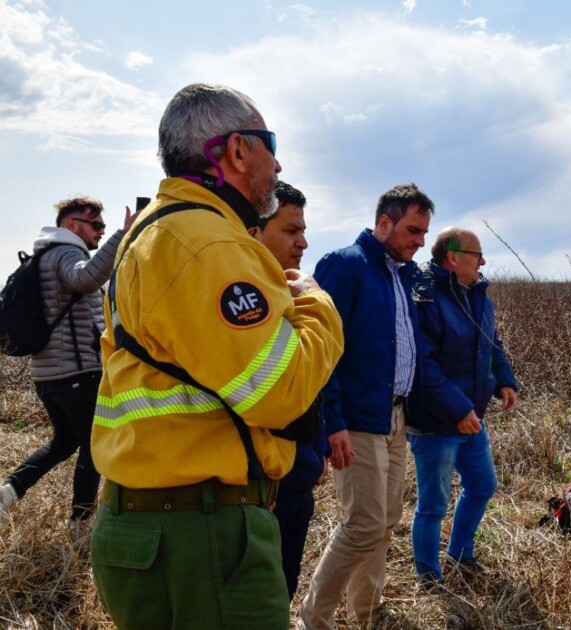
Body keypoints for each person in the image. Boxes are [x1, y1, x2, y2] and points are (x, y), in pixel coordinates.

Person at [89, 83, 344, 628]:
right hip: (200, 536)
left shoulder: (156, 233)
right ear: (236, 152)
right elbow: (279, 392)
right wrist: (318, 305)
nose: (277, 163)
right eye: (270, 144)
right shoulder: (207, 245)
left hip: (150, 527)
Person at [298, 183, 434, 629]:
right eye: (413, 229)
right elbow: (323, 349)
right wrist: (331, 419)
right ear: (384, 223)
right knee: (362, 524)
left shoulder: (401, 275)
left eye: (424, 232)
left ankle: (368, 612)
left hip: (393, 415)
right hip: (355, 418)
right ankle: (313, 620)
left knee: (386, 520)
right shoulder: (346, 265)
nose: (420, 240)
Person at [0, 198, 139, 535]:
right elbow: (86, 279)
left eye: (104, 227)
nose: (101, 231)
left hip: (47, 374)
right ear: (73, 226)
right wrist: (122, 235)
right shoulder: (65, 252)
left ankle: (8, 492)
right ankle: (81, 522)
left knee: (64, 442)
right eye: (96, 226)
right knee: (95, 445)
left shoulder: (43, 255)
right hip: (77, 372)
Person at [408, 227, 517, 590]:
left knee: (483, 485)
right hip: (436, 423)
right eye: (477, 254)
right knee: (433, 505)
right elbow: (425, 365)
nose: (483, 261)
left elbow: (492, 344)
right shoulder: (425, 298)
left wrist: (504, 381)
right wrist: (457, 410)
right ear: (453, 257)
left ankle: (461, 554)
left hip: (472, 418)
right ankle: (428, 577)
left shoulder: (480, 298)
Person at [248, 180, 327, 597]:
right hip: (264, 490)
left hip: (296, 479)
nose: (303, 242)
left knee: (283, 591)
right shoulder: (245, 302)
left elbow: (309, 381)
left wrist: (317, 448)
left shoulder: (286, 291)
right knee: (259, 599)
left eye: (303, 230)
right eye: (290, 231)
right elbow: (260, 396)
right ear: (254, 232)